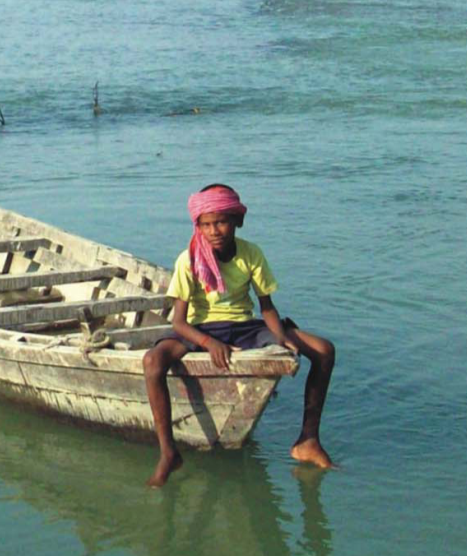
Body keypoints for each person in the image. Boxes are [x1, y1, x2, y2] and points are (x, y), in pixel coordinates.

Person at [143, 183, 336, 487]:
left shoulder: (251, 254)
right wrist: (208, 343)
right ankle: (168, 452)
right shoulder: (189, 259)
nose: (214, 231)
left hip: (245, 326)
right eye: (206, 224)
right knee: (153, 362)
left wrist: (281, 337)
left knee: (324, 350)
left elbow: (267, 307)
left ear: (237, 221)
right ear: (198, 226)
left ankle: (308, 440)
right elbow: (179, 322)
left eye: (220, 222)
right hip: (200, 328)